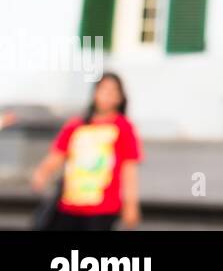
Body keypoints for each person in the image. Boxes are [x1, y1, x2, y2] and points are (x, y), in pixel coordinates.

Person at [30, 73, 143, 230]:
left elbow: (129, 170)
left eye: (113, 92)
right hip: (70, 203)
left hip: (103, 208)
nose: (107, 96)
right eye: (103, 90)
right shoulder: (76, 126)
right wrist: (43, 172)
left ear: (120, 97)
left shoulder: (124, 128)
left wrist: (130, 204)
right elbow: (57, 155)